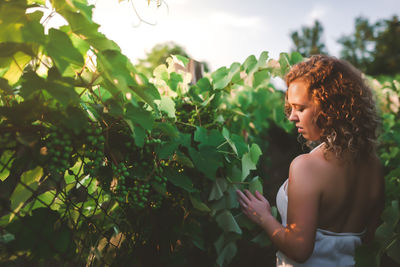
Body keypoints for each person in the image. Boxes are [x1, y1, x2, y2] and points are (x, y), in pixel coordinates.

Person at [236, 55, 384, 267]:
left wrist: (264, 218)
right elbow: (370, 241)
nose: (291, 117)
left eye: (301, 108)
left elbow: (299, 250)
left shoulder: (306, 167)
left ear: (330, 107)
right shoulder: (375, 166)